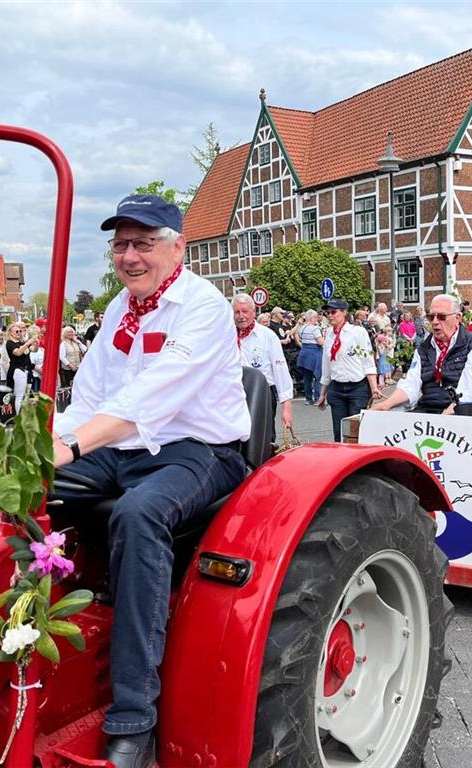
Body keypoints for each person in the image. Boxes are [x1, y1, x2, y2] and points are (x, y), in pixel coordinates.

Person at [50, 194, 249, 768]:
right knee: (30, 488)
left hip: (198, 449)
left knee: (139, 513)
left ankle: (135, 717)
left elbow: (151, 397)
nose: (130, 256)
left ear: (176, 246)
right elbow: (88, 395)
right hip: (125, 446)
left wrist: (76, 444)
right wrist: (40, 443)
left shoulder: (203, 308)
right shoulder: (118, 310)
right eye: (121, 245)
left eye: (143, 243)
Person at [373, 294, 472, 414]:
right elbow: (410, 384)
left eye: (441, 317)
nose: (435, 322)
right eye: (431, 317)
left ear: (458, 318)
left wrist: (448, 414)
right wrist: (387, 404)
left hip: (460, 414)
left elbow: (470, 389)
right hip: (427, 410)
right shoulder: (424, 348)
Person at [318, 298, 380, 441]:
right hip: (337, 388)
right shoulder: (329, 334)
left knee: (356, 432)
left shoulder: (357, 332)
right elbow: (326, 365)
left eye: (333, 312)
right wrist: (322, 393)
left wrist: (374, 387)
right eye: (328, 313)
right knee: (339, 432)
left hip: (357, 388)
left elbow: (367, 361)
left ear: (344, 312)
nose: (330, 316)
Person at [233, 293, 293, 442]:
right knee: (238, 437)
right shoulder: (227, 336)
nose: (241, 316)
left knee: (262, 439)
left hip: (262, 392)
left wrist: (286, 408)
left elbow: (281, 370)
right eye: (237, 312)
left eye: (245, 311)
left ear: (253, 312)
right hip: (234, 393)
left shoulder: (267, 336)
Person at [5, 321, 38, 413]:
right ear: (10, 333)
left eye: (20, 331)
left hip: (27, 370)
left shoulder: (21, 342)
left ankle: (25, 414)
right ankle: (18, 416)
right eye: (17, 331)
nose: (19, 333)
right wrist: (27, 343)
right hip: (17, 370)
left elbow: (34, 350)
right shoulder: (10, 343)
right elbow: (18, 352)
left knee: (26, 395)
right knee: (19, 395)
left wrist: (35, 343)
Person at [295, 310, 323, 405]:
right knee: (318, 376)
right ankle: (317, 398)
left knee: (307, 377)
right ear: (312, 318)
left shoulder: (302, 328)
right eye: (315, 317)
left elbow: (299, 339)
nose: (317, 319)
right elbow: (320, 342)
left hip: (304, 352)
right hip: (314, 353)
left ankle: (308, 398)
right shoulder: (315, 329)